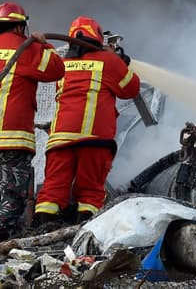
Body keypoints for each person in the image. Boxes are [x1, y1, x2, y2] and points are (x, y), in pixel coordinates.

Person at [0, 1, 65, 242]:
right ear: (21, 27)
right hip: (12, 133)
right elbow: (56, 70)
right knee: (14, 191)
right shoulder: (26, 49)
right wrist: (43, 43)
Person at [33, 16, 139, 226]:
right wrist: (120, 61)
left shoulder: (64, 66)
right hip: (94, 139)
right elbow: (131, 89)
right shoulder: (108, 62)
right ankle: (85, 234)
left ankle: (42, 232)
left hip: (60, 140)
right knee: (90, 192)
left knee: (53, 189)